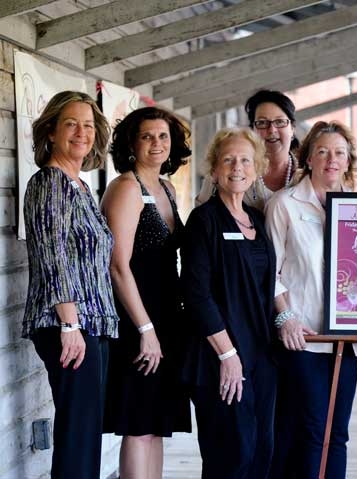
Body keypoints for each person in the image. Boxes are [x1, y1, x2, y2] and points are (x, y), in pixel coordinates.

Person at [23, 90, 116, 478]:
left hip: (91, 325)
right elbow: (53, 255)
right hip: (68, 324)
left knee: (87, 431)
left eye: (89, 125)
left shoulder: (80, 186)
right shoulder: (50, 182)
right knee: (78, 435)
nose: (82, 132)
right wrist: (70, 324)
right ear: (51, 131)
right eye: (71, 124)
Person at [265, 120, 357, 479]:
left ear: (348, 158)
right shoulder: (284, 204)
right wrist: (285, 317)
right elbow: (270, 271)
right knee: (310, 429)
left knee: (337, 434)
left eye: (339, 152)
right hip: (303, 338)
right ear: (308, 157)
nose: (331, 159)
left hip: (348, 340)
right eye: (322, 151)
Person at [101, 107, 192, 478]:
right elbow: (117, 266)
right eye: (147, 137)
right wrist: (145, 329)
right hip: (137, 319)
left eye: (164, 136)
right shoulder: (126, 188)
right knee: (138, 425)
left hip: (167, 316)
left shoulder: (167, 188)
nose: (157, 144)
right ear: (131, 144)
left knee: (156, 425)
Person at [181, 128, 277, 478]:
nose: (238, 167)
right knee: (232, 454)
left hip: (260, 355)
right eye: (229, 160)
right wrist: (227, 355)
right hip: (218, 356)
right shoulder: (203, 221)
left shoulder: (259, 220)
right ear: (215, 169)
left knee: (262, 451)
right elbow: (196, 295)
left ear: (256, 169)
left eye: (245, 160)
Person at [196, 89, 299, 210]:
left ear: (292, 128)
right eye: (262, 122)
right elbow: (200, 218)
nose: (272, 130)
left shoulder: (308, 175)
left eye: (280, 122)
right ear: (252, 130)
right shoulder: (225, 171)